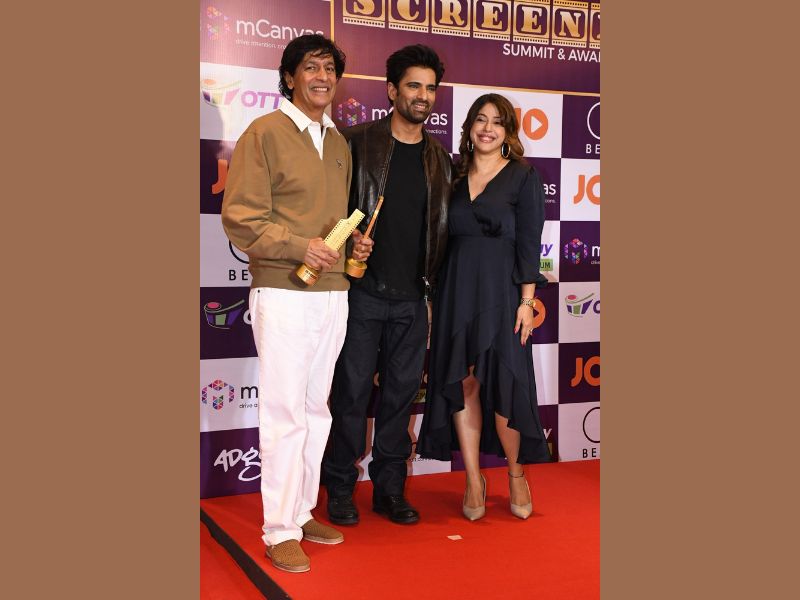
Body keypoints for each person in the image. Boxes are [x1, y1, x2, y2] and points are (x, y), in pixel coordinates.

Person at [221, 34, 372, 573]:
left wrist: (352, 247)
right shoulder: (264, 132)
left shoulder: (338, 142)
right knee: (285, 413)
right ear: (289, 78)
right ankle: (279, 529)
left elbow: (330, 226)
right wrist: (297, 246)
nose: (322, 77)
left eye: (330, 69)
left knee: (315, 410)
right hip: (284, 292)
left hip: (333, 294)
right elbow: (241, 218)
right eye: (311, 67)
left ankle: (302, 511)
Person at [321, 45, 452, 526]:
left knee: (399, 400)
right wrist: (346, 243)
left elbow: (443, 233)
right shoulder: (355, 143)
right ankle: (339, 487)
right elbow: (330, 214)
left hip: (413, 301)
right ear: (392, 90)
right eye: (413, 85)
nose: (423, 96)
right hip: (360, 296)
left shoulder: (440, 160)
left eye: (430, 88)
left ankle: (389, 490)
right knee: (351, 397)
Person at [417, 93, 553, 521]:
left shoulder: (523, 176)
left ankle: (515, 473)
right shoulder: (452, 175)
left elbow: (529, 243)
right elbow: (437, 238)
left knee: (505, 384)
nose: (487, 128)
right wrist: (431, 298)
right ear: (469, 127)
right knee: (464, 384)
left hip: (502, 294)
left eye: (497, 121)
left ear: (508, 131)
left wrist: (527, 301)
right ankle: (473, 479)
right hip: (455, 291)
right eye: (480, 119)